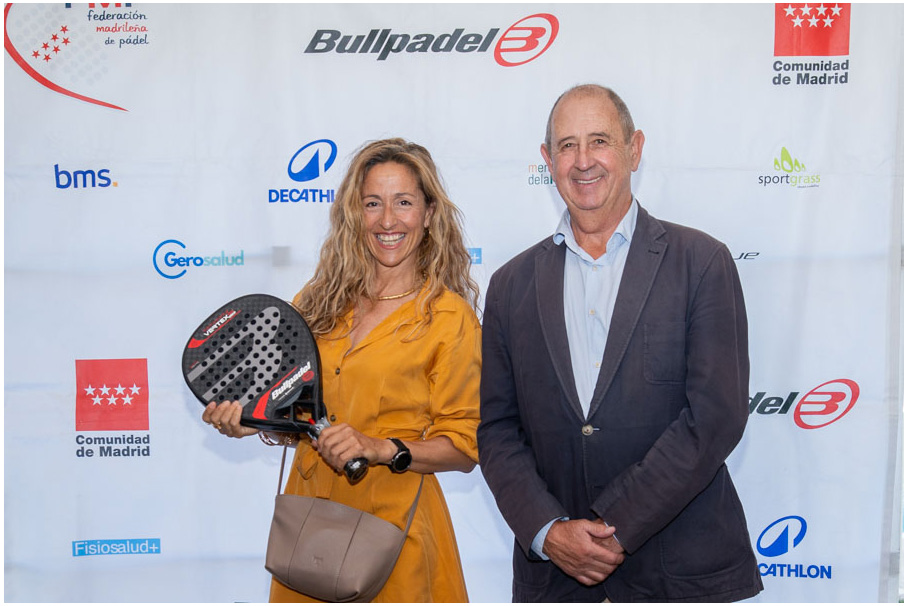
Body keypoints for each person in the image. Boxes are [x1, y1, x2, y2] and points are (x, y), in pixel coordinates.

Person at [477, 84, 763, 602]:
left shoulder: (701, 262)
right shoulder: (510, 284)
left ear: (634, 149)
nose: (583, 160)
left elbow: (715, 417)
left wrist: (615, 525)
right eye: (567, 145)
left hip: (680, 573)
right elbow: (497, 431)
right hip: (556, 580)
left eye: (600, 141)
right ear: (548, 160)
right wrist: (548, 531)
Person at [203, 138, 482, 602]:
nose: (387, 220)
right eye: (372, 203)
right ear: (355, 213)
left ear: (429, 214)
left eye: (404, 202)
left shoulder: (450, 317)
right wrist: (251, 422)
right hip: (308, 534)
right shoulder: (316, 302)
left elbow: (464, 447)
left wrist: (380, 448)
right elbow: (293, 413)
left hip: (396, 536)